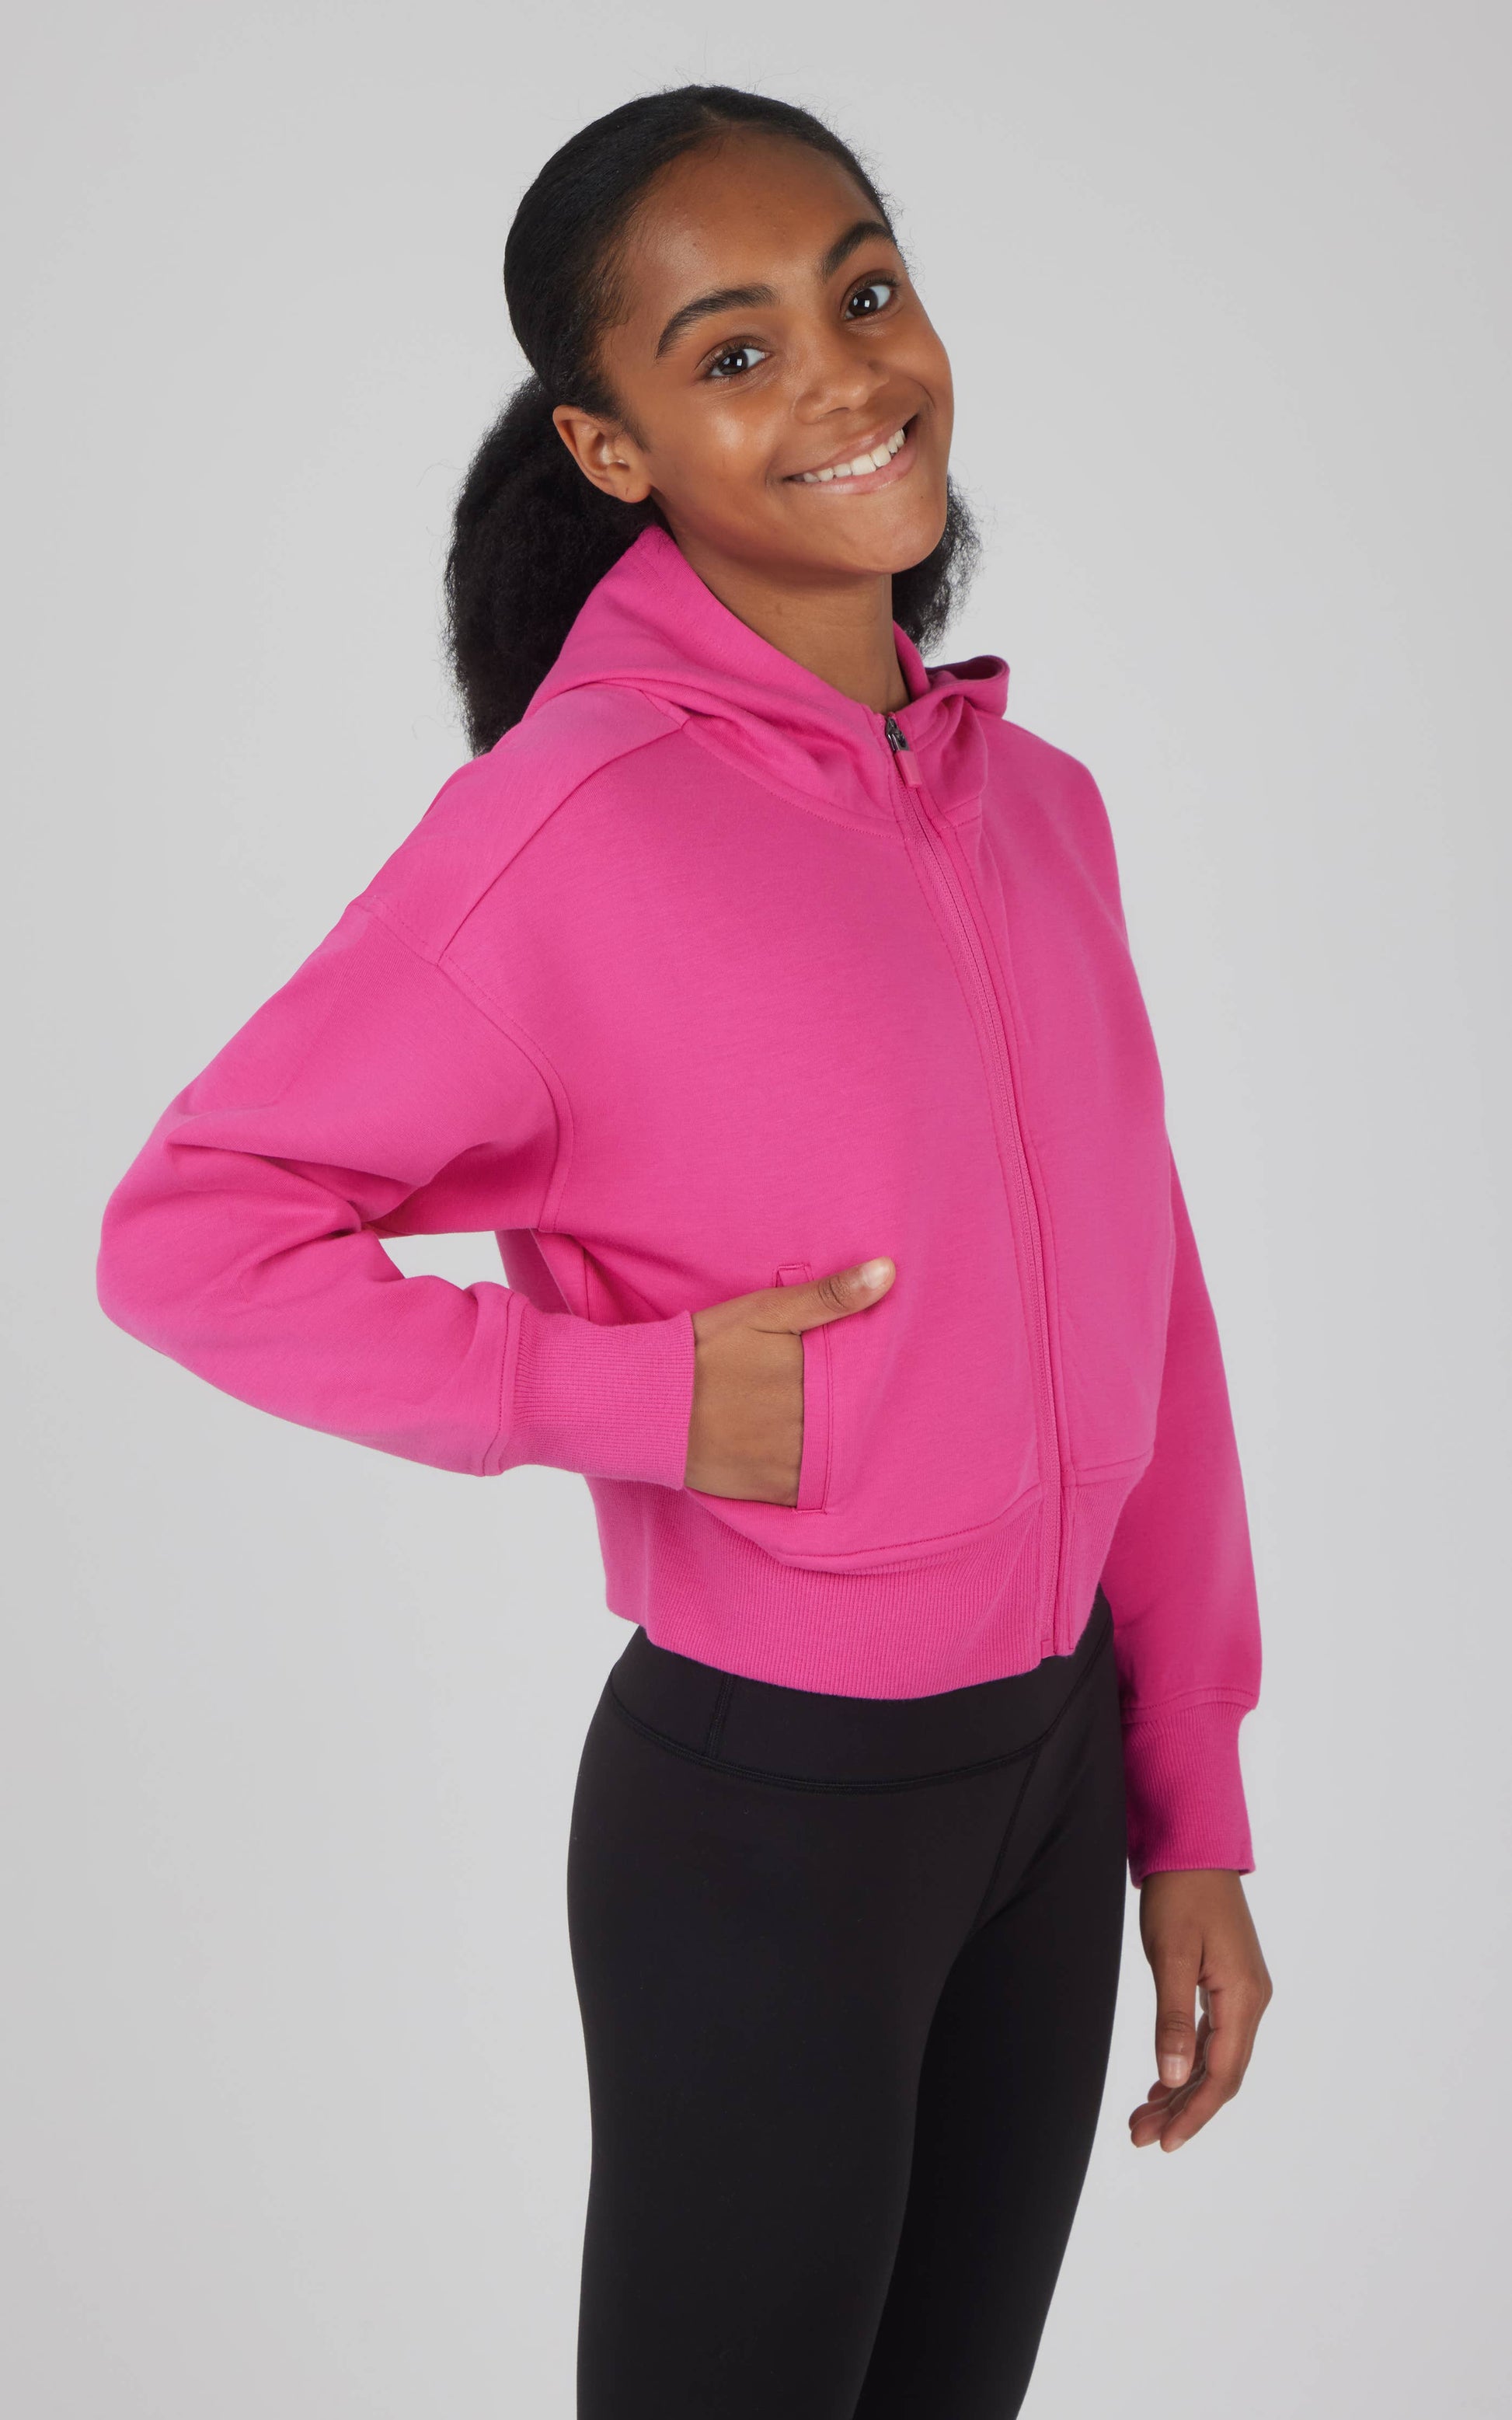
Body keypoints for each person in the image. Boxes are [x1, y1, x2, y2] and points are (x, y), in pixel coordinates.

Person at [96, 84, 1272, 2420]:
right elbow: (189, 1236)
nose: (842, 377)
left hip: (1052, 1784)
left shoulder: (1041, 812)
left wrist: (1189, 1811)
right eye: (732, 353)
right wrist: (617, 1393)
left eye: (862, 291)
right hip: (773, 1818)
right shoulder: (570, 826)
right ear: (609, 446)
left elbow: (1157, 1313)